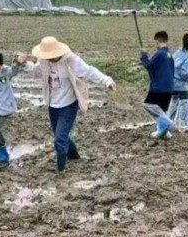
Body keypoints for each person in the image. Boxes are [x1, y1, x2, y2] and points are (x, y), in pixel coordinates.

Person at [17, 37, 116, 174]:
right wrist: (24, 63)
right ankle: (74, 156)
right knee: (61, 135)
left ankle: (61, 169)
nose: (49, 58)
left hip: (68, 105)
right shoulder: (44, 61)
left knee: (59, 138)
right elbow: (36, 71)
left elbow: (89, 71)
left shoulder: (71, 61)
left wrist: (107, 81)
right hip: (52, 104)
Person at [140, 31, 175, 139]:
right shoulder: (169, 55)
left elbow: (149, 66)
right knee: (161, 109)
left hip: (159, 88)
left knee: (149, 105)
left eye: (155, 43)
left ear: (158, 41)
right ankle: (163, 132)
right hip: (169, 88)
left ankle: (168, 123)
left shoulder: (159, 54)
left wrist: (144, 56)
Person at [0, 51, 21, 166]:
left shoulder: (5, 72)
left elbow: (14, 70)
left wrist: (17, 63)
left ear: (1, 65)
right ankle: (1, 155)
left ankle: (4, 153)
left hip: (4, 108)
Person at [168, 32, 188, 130]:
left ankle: (168, 124)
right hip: (181, 85)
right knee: (185, 104)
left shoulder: (177, 53)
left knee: (173, 102)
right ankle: (183, 126)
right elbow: (185, 73)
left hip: (172, 83)